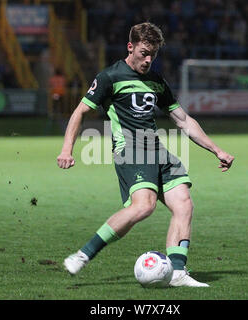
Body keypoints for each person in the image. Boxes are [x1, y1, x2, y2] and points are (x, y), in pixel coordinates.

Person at [57, 22, 234, 287]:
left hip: (157, 149)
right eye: (143, 53)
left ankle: (176, 272)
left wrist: (216, 149)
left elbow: (183, 120)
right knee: (144, 206)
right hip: (130, 149)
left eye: (153, 54)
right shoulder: (110, 77)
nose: (148, 60)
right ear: (131, 47)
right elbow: (80, 111)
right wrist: (66, 149)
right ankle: (83, 255)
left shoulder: (156, 81)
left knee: (184, 203)